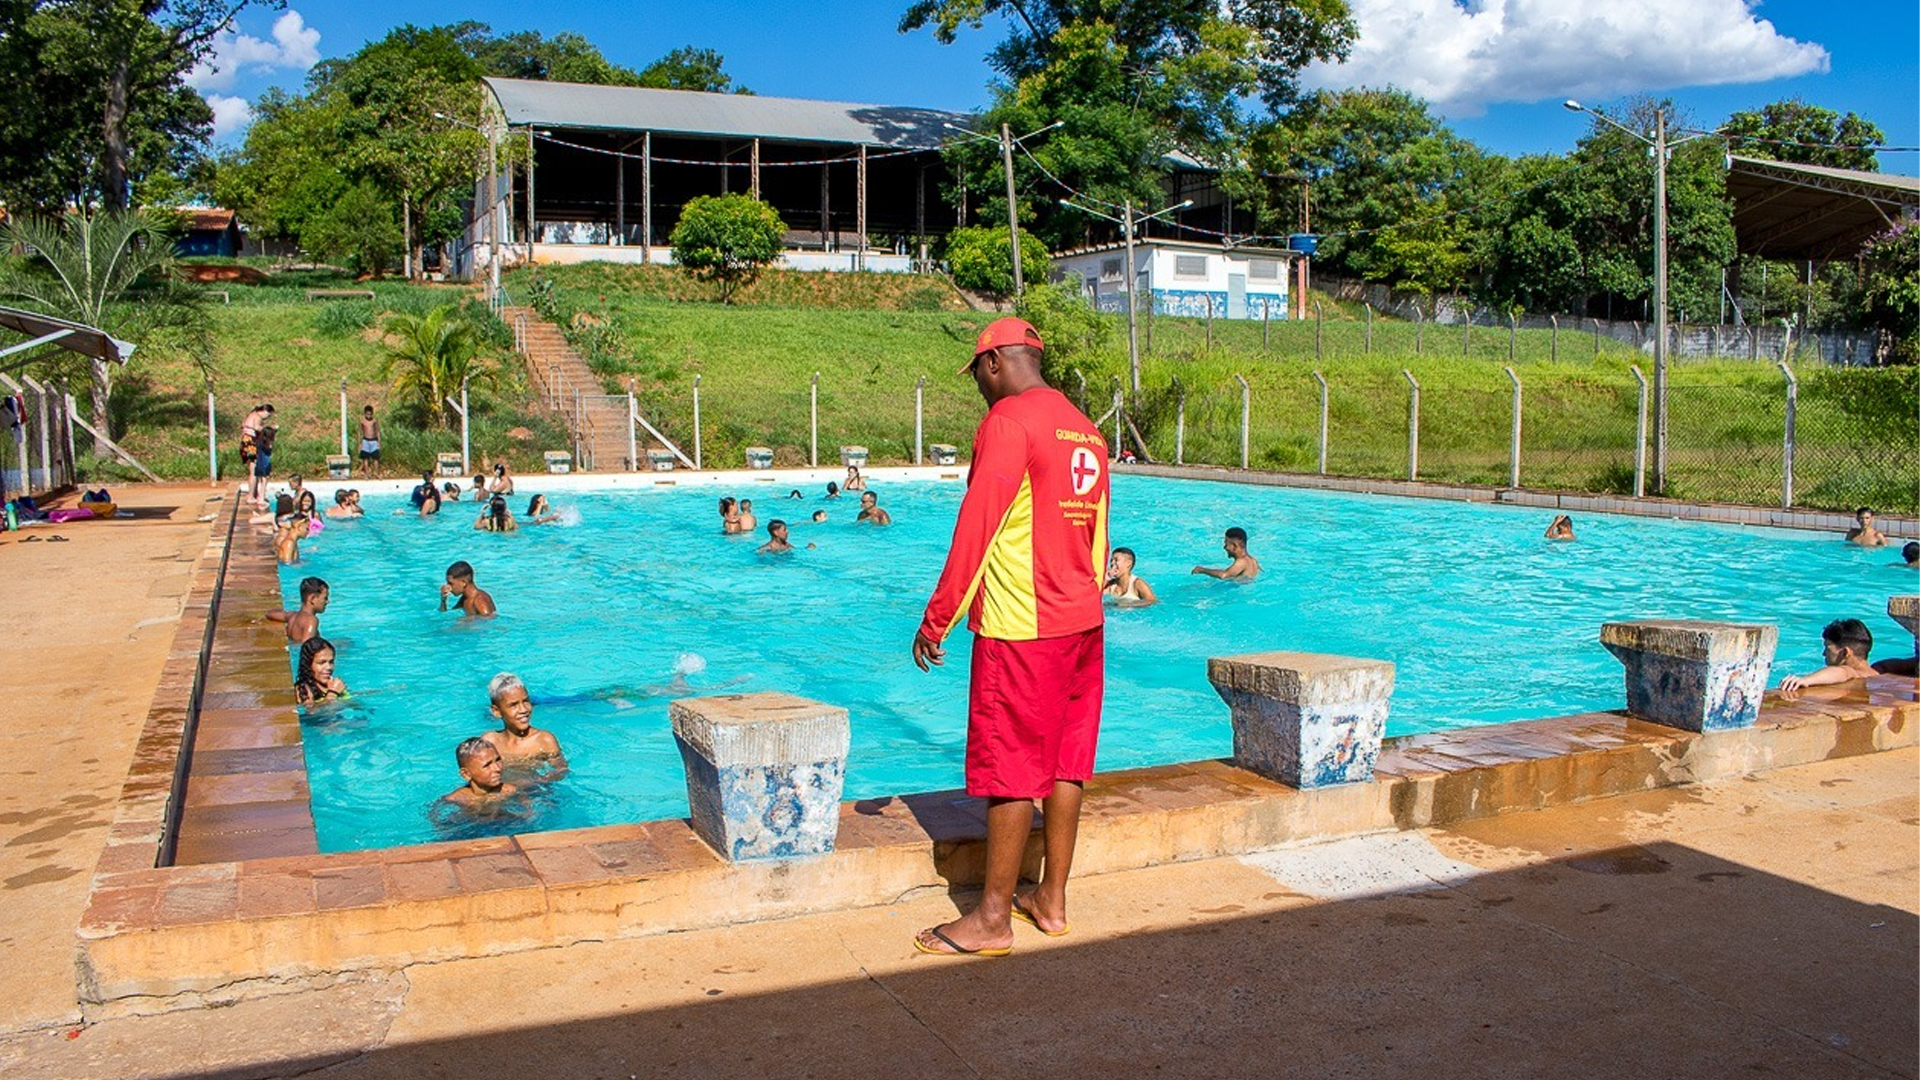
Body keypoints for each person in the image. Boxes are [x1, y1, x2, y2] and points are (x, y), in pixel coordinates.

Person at [910, 317, 1110, 958]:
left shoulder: (1009, 422)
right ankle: (1050, 899)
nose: (978, 388)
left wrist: (937, 616)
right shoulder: (1086, 430)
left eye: (977, 375)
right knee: (1065, 762)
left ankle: (991, 918)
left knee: (1013, 769)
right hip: (1083, 623)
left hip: (1023, 629)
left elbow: (978, 524)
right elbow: (1098, 537)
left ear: (994, 362)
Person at [481, 673, 567, 775]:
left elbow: (562, 771)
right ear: (496, 711)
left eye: (526, 701)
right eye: (513, 705)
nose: (523, 709)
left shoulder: (544, 740)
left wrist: (540, 781)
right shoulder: (490, 742)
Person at [1781, 619, 1878, 697]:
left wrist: (1805, 680)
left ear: (1845, 652)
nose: (1823, 654)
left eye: (1827, 648)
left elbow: (1843, 672)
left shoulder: (1854, 673)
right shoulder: (1878, 672)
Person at [438, 737, 519, 811]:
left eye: (498, 760)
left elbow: (527, 812)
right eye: (487, 765)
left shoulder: (509, 790)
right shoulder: (457, 798)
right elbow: (435, 817)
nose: (497, 768)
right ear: (466, 774)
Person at [266, 576, 328, 644]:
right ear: (312, 599)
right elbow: (307, 647)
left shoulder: (292, 616)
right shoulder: (311, 620)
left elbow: (269, 614)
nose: (327, 602)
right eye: (325, 598)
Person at [293, 635, 347, 705]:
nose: (329, 667)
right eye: (321, 663)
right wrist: (332, 694)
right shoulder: (304, 689)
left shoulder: (332, 684)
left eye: (331, 662)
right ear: (308, 665)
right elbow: (311, 714)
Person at [1192, 527, 1260, 580]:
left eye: (1226, 544)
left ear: (1234, 546)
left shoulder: (1241, 562)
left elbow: (1223, 575)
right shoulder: (1253, 560)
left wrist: (1202, 570)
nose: (1224, 547)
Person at [239, 403, 274, 506]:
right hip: (250, 443)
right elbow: (256, 427)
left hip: (245, 441)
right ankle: (251, 496)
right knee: (254, 471)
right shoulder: (257, 416)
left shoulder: (251, 414)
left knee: (252, 470)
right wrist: (269, 429)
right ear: (264, 411)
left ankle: (253, 494)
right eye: (268, 415)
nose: (267, 417)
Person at [251, 423, 278, 507]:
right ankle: (261, 498)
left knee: (261, 480)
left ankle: (260, 496)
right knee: (264, 482)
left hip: (258, 464)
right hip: (265, 465)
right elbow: (269, 450)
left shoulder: (259, 443)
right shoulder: (267, 445)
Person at [357, 405, 382, 478]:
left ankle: (376, 473)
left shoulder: (374, 421)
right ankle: (367, 474)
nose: (369, 416)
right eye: (367, 414)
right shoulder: (362, 421)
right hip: (365, 441)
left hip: (374, 441)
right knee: (365, 458)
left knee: (376, 458)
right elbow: (359, 432)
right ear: (365, 414)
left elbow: (377, 431)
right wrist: (359, 443)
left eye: (370, 414)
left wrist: (379, 442)